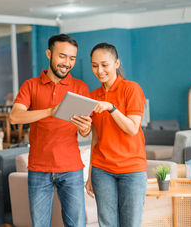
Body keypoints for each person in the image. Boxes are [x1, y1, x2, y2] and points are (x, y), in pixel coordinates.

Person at [10, 33, 92, 227]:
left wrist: (86, 128)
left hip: (71, 168)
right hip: (39, 168)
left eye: (72, 58)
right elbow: (15, 116)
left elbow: (85, 132)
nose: (67, 63)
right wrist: (50, 111)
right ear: (49, 54)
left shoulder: (80, 87)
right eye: (62, 56)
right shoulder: (30, 86)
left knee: (77, 225)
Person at [86, 42, 147, 227]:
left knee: (131, 223)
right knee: (107, 223)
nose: (99, 70)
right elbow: (95, 138)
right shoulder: (92, 96)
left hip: (132, 169)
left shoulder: (131, 89)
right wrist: (90, 173)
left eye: (105, 65)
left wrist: (111, 108)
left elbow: (132, 128)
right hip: (102, 170)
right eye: (95, 66)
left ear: (117, 63)